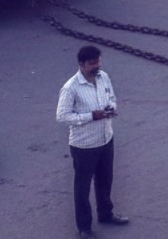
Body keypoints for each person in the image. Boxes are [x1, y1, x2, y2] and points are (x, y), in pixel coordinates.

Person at [56, 45, 129, 239]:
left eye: (98, 61)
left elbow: (111, 97)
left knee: (105, 180)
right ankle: (84, 228)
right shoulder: (71, 87)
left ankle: (106, 214)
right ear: (81, 64)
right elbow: (62, 116)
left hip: (106, 138)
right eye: (91, 63)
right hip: (84, 146)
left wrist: (110, 107)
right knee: (82, 187)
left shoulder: (103, 77)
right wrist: (91, 116)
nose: (96, 66)